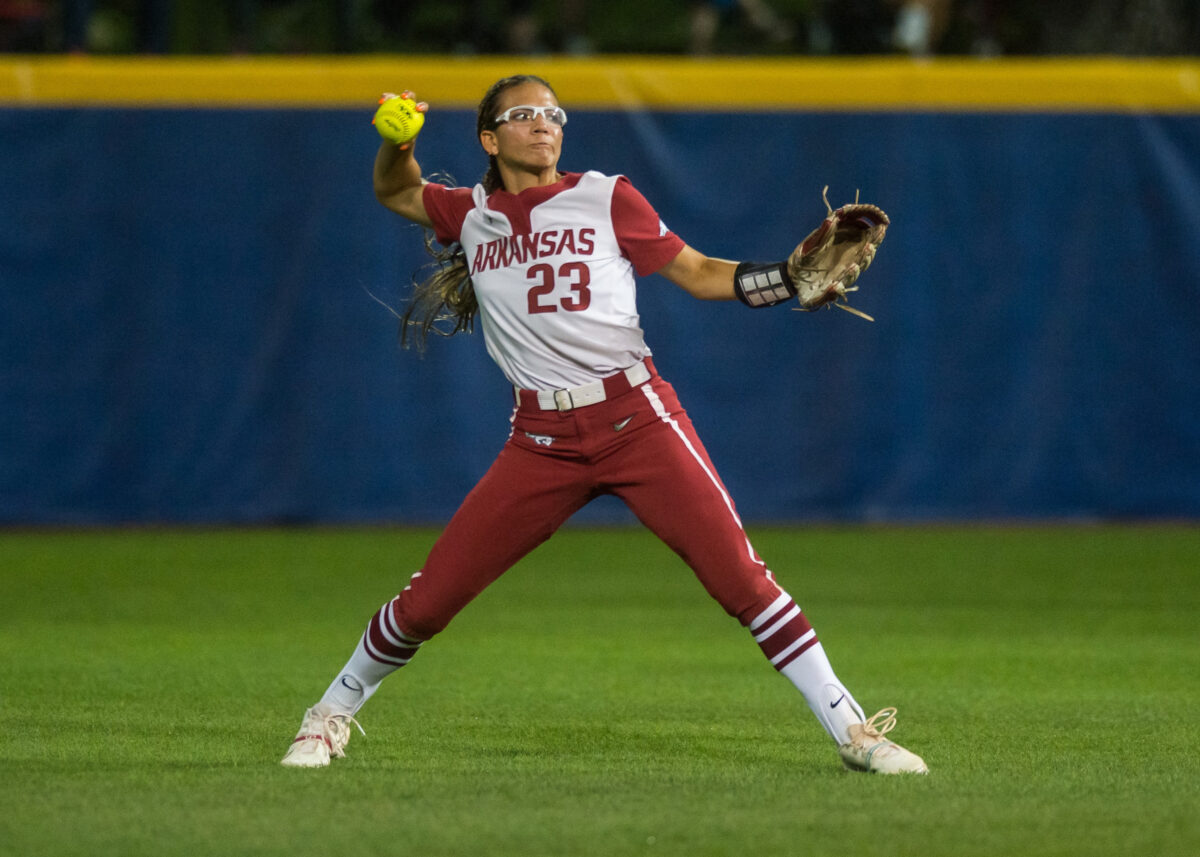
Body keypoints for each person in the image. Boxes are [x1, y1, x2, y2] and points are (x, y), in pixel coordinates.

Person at [281, 74, 928, 775]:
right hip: (541, 441)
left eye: (554, 113)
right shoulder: (469, 213)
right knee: (430, 601)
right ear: (489, 138)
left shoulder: (605, 195)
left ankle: (853, 729)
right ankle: (328, 713)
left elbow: (701, 272)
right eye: (524, 114)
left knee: (742, 579)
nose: (544, 124)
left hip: (637, 419)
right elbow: (395, 190)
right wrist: (398, 143)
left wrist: (785, 279)